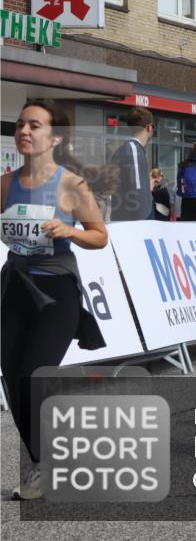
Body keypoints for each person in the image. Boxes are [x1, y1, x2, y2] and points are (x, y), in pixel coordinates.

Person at [1, 99, 114, 500]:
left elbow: (100, 235)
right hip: (15, 286)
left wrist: (69, 232)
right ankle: (41, 464)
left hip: (56, 290)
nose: (25, 132)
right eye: (20, 125)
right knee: (13, 379)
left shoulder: (71, 185)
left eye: (35, 125)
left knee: (34, 373)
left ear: (55, 137)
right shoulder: (4, 182)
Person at [108, 106, 154, 222]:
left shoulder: (127, 149)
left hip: (124, 218)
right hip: (135, 222)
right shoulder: (133, 150)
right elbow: (136, 191)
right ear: (148, 127)